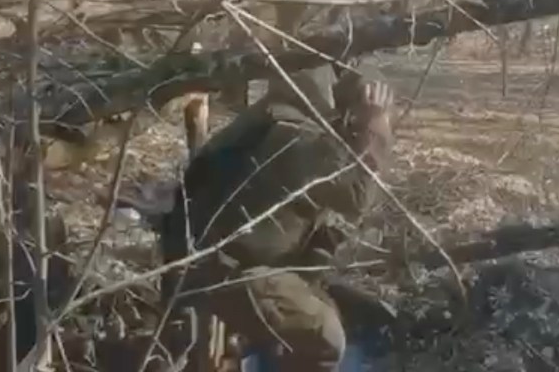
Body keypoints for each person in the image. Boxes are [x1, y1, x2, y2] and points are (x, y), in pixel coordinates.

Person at [160, 63, 395, 371]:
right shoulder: (297, 136)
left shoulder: (271, 116)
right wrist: (375, 125)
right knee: (326, 339)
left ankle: (248, 352)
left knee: (338, 297)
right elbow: (359, 197)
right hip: (225, 272)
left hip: (214, 259)